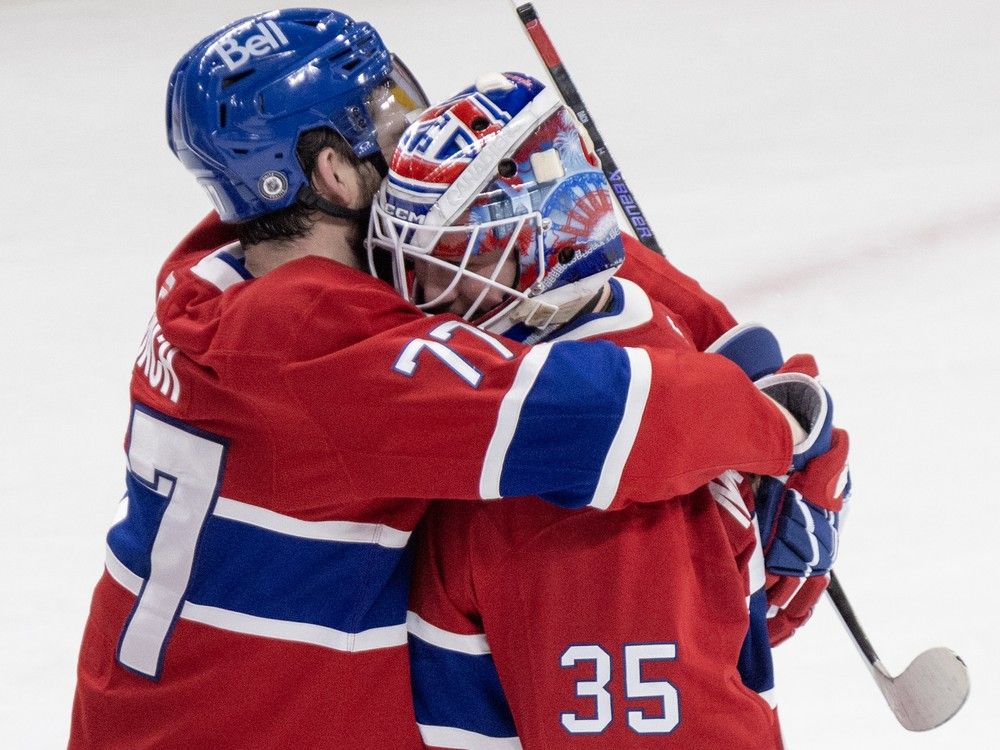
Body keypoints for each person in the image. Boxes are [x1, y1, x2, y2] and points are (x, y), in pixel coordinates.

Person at [68, 10, 809, 750]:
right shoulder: (321, 346)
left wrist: (718, 330)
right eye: (388, 113)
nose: (416, 130)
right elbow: (593, 417)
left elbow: (535, 250)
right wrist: (782, 424)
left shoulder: (222, 269)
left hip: (156, 709)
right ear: (331, 171)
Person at [364, 73, 850, 748]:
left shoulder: (580, 505)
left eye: (450, 258)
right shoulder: (633, 338)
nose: (419, 292)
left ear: (541, 247)